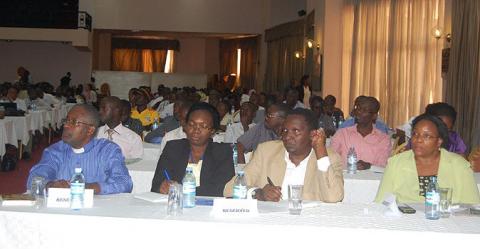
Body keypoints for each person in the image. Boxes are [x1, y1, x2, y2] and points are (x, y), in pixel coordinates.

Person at [224, 108, 344, 202]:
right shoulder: (266, 152)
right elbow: (229, 189)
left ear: (312, 134)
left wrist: (321, 153)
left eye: (295, 131)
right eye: (285, 131)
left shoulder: (329, 158)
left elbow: (333, 197)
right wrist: (258, 193)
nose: (287, 136)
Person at [27, 104, 133, 194]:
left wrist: (84, 188)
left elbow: (124, 182)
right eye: (66, 121)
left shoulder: (107, 150)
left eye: (73, 122)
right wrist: (50, 185)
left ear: (90, 130)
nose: (66, 126)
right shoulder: (54, 151)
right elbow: (34, 180)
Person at [375, 114, 480, 204]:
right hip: (406, 223)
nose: (418, 140)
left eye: (427, 136)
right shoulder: (396, 162)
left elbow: (472, 205)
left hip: (448, 223)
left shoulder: (459, 165)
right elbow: (382, 201)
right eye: (415, 134)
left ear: (439, 141)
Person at [151, 102, 235, 197]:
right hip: (176, 206)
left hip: (208, 208)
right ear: (185, 126)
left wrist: (181, 189)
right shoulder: (173, 147)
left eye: (203, 126)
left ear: (213, 131)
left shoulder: (222, 152)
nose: (196, 130)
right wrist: (162, 187)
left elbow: (222, 188)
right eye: (191, 124)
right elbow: (156, 185)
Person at [331, 97, 391, 169]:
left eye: (364, 110)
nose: (359, 112)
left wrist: (369, 166)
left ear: (374, 116)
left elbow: (383, 166)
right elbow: (331, 161)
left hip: (372, 179)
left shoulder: (383, 139)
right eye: (358, 109)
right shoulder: (342, 134)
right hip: (345, 178)